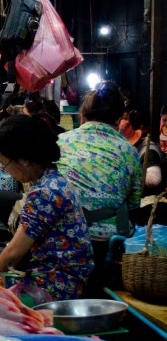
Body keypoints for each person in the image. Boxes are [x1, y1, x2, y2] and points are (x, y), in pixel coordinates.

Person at [0, 113, 95, 300]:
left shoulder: (44, 193)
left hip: (57, 286)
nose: (5, 171)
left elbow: (13, 253)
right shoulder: (53, 179)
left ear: (24, 159)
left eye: (4, 163)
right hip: (61, 278)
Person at [56, 81, 143, 241]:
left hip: (66, 233)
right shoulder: (128, 150)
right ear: (118, 121)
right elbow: (134, 203)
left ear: (82, 116)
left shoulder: (61, 141)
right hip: (112, 238)